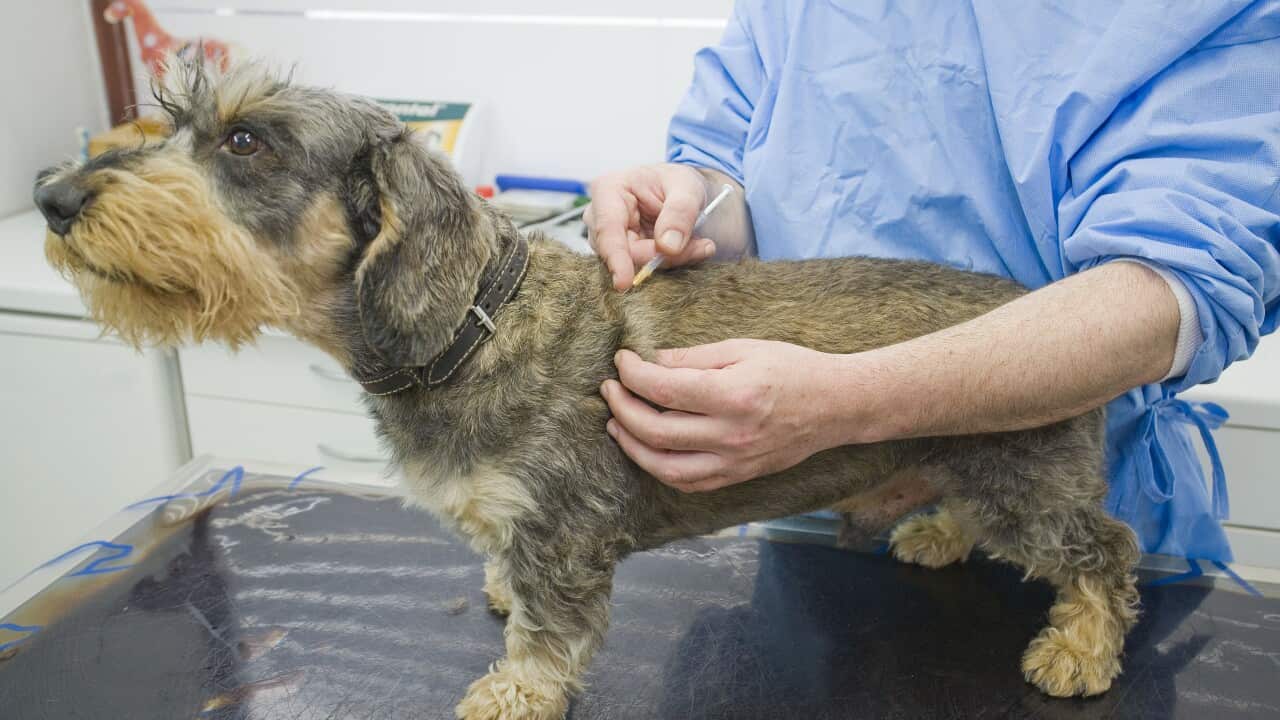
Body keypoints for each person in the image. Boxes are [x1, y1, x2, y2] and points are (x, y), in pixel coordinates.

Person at [583, 1, 1280, 562]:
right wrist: (695, 200)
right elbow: (748, 165)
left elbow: (1171, 294)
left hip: (1047, 482)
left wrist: (848, 405)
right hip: (805, 486)